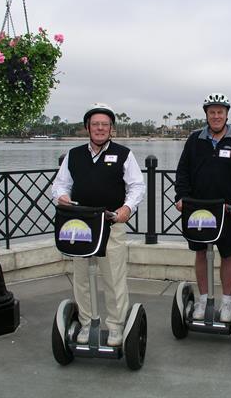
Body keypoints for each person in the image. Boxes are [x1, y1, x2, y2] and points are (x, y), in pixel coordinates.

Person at [51, 103, 145, 346]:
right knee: (81, 279)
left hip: (110, 225)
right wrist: (61, 196)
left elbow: (137, 186)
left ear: (111, 128)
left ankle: (115, 326)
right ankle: (87, 323)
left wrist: (127, 208)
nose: (100, 128)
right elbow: (60, 184)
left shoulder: (124, 154)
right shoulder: (74, 154)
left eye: (105, 124)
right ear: (87, 128)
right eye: (95, 124)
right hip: (80, 226)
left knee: (113, 279)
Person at [174, 92, 231, 322]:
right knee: (201, 253)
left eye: (220, 112)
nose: (216, 116)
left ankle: (227, 302)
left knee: (229, 254)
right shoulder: (194, 140)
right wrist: (181, 196)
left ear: (227, 114)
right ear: (207, 115)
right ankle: (202, 300)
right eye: (212, 112)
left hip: (228, 210)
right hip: (198, 210)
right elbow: (182, 173)